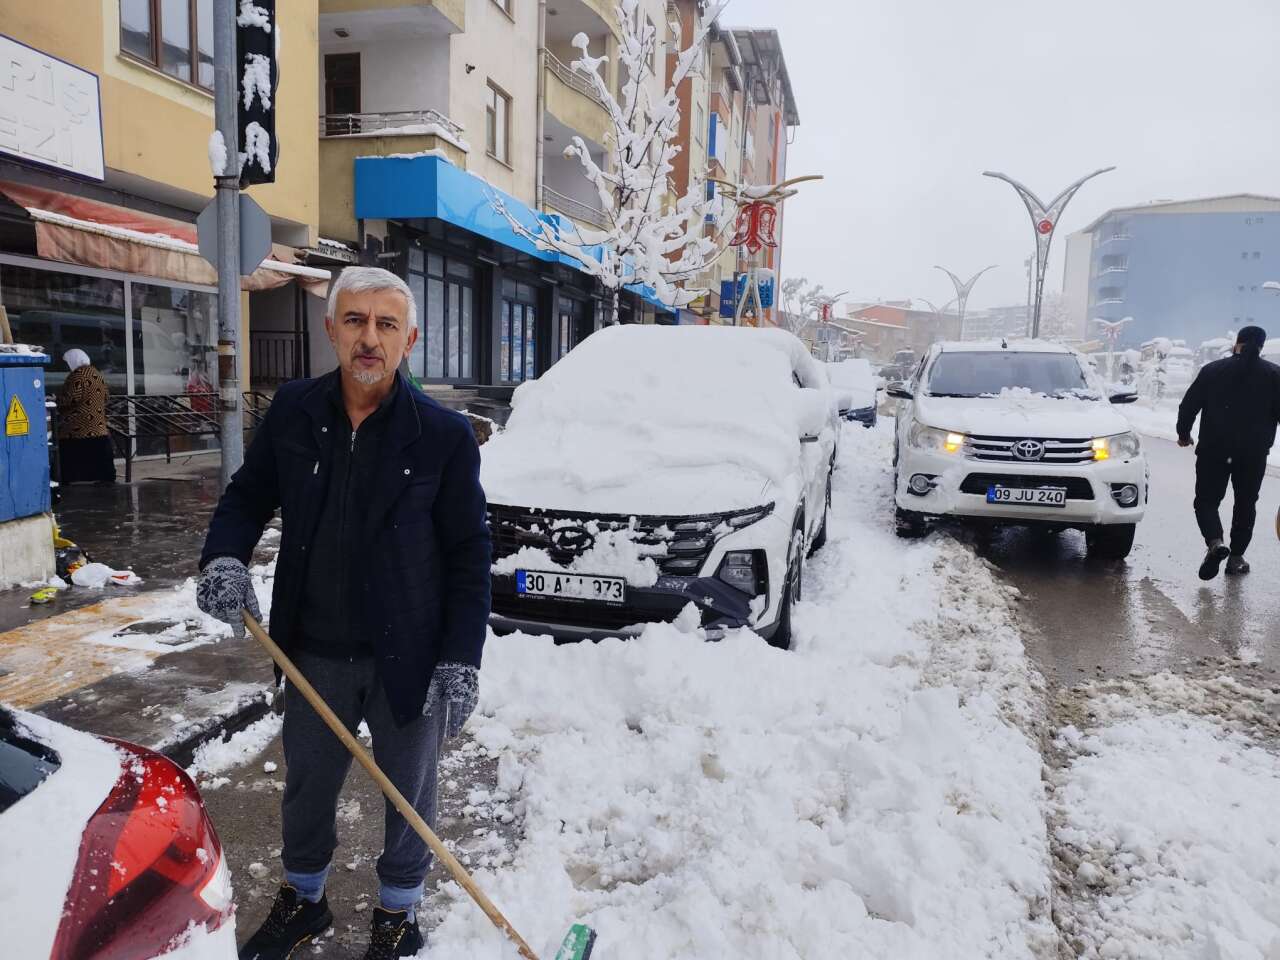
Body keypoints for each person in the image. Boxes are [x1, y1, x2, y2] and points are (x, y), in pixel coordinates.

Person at [196, 267, 491, 959]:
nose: (369, 338)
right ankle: (303, 899)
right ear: (331, 330)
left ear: (409, 339)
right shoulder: (295, 412)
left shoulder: (443, 436)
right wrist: (224, 558)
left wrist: (460, 657)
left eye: (386, 324)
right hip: (313, 649)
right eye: (354, 321)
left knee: (409, 797)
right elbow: (245, 498)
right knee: (306, 790)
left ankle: (397, 912)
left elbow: (469, 555)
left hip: (410, 658)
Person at [1177, 325, 1280, 580]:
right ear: (1261, 346)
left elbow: (1189, 405)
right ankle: (1235, 558)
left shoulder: (1213, 370)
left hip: (1214, 449)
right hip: (1254, 453)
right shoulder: (1274, 375)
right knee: (1245, 503)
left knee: (1207, 501)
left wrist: (1183, 434)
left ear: (1237, 343)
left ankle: (1215, 542)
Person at [56, 348, 116, 484]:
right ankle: (103, 477)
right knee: (99, 456)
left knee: (69, 450)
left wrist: (56, 400)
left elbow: (71, 398)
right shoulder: (96, 373)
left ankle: (70, 478)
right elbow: (106, 396)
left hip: (78, 426)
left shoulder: (78, 375)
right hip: (98, 425)